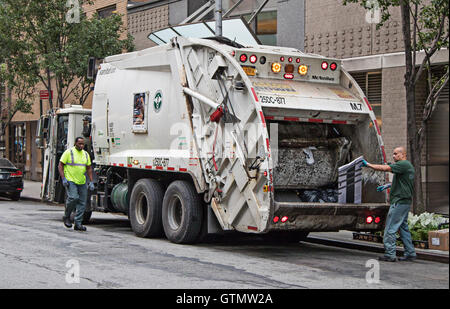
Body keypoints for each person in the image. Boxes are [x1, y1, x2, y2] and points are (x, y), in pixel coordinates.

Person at [362, 146, 417, 262]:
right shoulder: (407, 167)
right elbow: (404, 183)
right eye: (393, 153)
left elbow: (385, 168)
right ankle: (410, 252)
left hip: (399, 202)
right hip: (405, 202)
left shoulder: (403, 165)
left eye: (396, 154)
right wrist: (389, 185)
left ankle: (390, 254)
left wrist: (368, 165)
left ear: (403, 155)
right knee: (403, 228)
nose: (393, 156)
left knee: (390, 228)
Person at [58, 137, 94, 231]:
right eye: (79, 144)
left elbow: (89, 168)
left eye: (83, 144)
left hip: (82, 181)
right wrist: (63, 178)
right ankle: (67, 216)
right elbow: (60, 165)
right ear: (75, 143)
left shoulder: (85, 154)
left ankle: (78, 224)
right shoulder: (68, 152)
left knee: (82, 203)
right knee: (73, 198)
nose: (81, 146)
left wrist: (91, 181)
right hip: (70, 180)